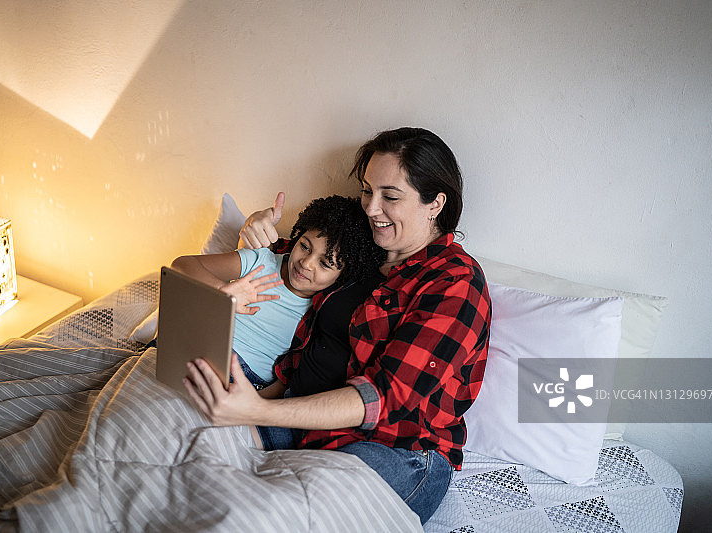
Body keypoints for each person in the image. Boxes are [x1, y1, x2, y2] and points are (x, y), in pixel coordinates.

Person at [184, 127, 491, 524]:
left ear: (435, 203)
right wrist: (255, 233)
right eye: (368, 191)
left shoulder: (456, 283)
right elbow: (293, 257)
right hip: (303, 426)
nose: (371, 208)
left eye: (390, 197)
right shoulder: (361, 242)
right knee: (193, 461)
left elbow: (383, 398)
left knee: (278, 513)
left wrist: (259, 409)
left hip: (397, 453)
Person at [172, 195, 383, 388]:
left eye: (325, 263)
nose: (306, 263)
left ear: (341, 276)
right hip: (203, 351)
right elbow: (182, 266)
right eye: (305, 247)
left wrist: (255, 404)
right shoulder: (261, 261)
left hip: (247, 381)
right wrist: (222, 291)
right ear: (297, 237)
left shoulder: (323, 312)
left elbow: (287, 379)